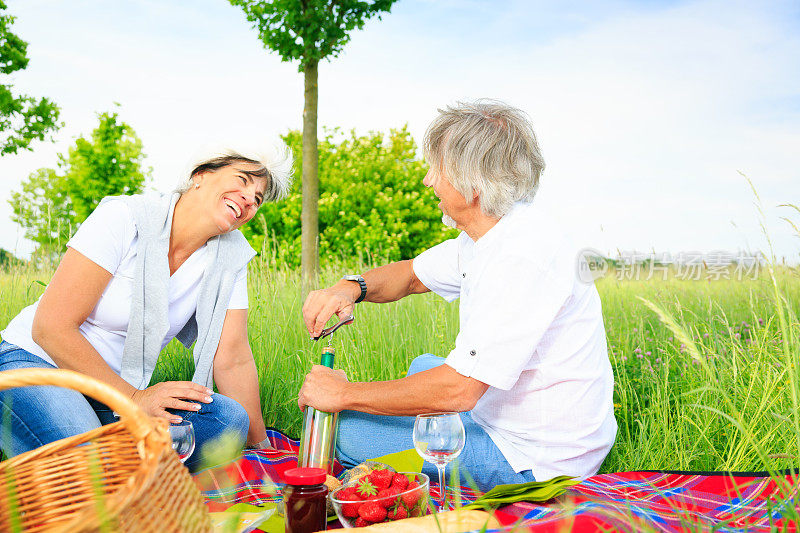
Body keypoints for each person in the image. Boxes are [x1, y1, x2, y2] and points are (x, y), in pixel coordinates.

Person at [299, 100, 617, 490]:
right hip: (509, 412)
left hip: (536, 457)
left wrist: (343, 394)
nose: (428, 181)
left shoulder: (522, 257)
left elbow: (459, 389)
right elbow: (411, 275)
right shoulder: (489, 234)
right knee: (422, 366)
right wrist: (351, 288)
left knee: (346, 431)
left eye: (437, 168)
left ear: (474, 182)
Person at [0, 147, 292, 471]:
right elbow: (50, 328)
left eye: (258, 198)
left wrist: (262, 447)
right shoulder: (125, 217)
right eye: (242, 180)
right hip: (38, 365)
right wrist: (135, 400)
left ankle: (97, 459)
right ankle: (94, 463)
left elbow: (233, 357)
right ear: (201, 175)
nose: (249, 198)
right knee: (90, 472)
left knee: (226, 421)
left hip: (112, 395)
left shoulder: (231, 259)